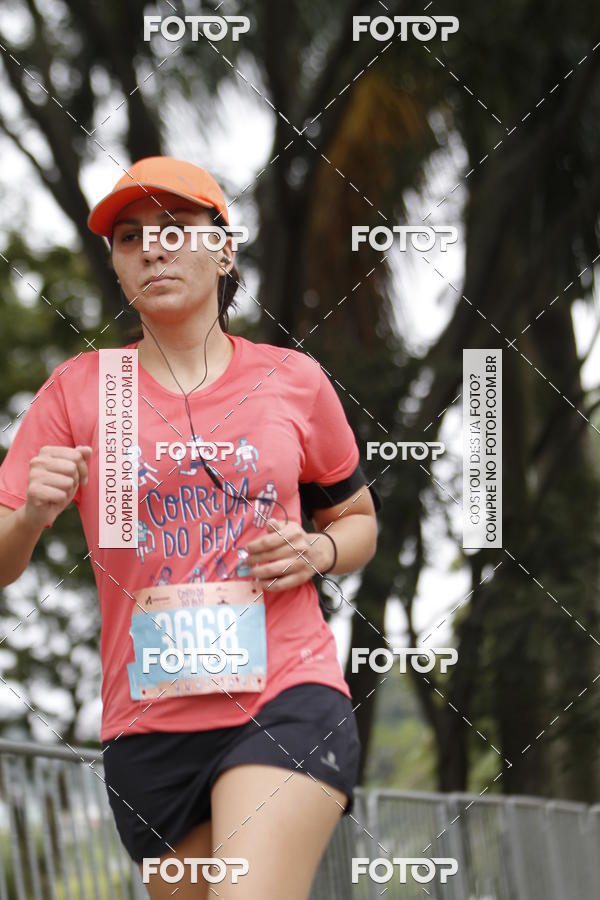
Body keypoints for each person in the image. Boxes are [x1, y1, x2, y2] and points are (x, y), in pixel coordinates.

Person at [0, 156, 380, 898]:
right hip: (149, 730)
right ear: (116, 265)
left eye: (176, 229)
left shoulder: (290, 380)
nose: (153, 248)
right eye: (130, 236)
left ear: (225, 248)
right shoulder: (86, 390)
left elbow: (359, 520)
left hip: (285, 694)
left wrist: (319, 548)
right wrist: (34, 515)